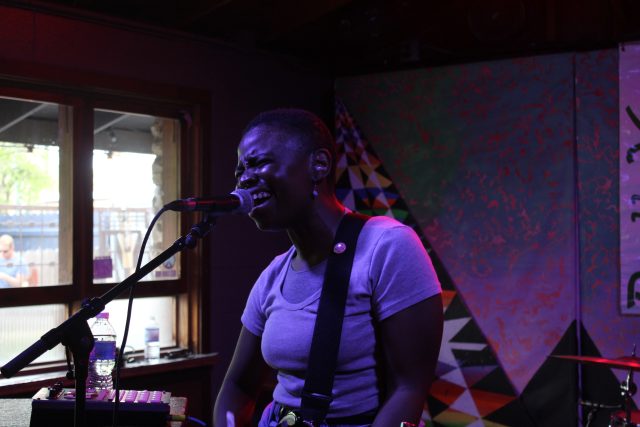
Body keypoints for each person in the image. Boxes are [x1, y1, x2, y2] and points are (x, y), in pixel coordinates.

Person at [213, 108, 443, 427]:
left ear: (319, 164)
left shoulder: (387, 246)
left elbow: (409, 387)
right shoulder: (273, 276)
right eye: (240, 170)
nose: (244, 179)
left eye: (258, 162)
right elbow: (238, 387)